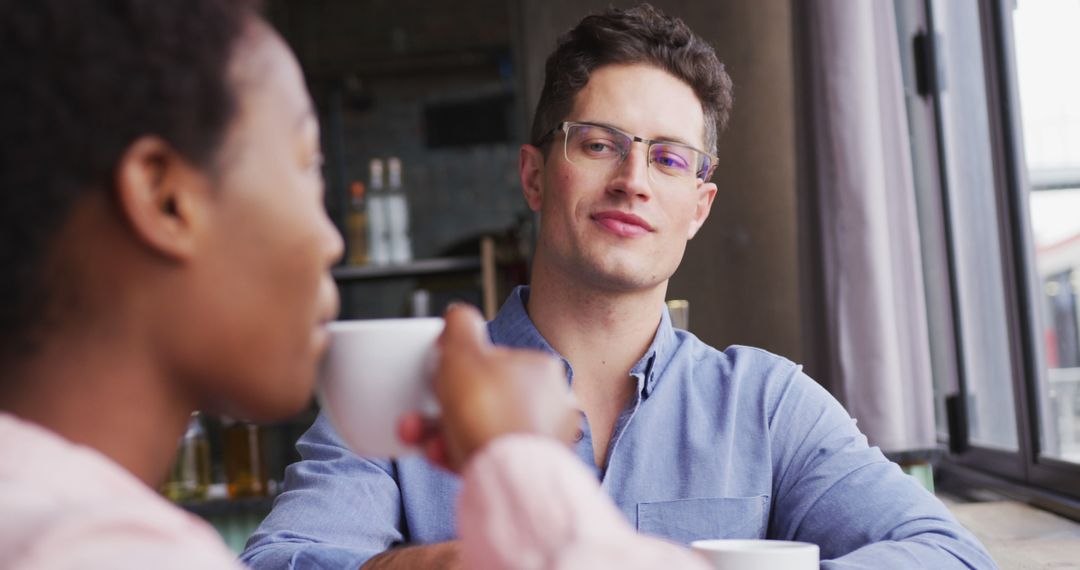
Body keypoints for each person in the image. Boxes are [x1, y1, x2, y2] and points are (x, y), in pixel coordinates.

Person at [242, 4, 997, 569]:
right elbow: (283, 562)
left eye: (669, 159)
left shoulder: (768, 406)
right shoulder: (404, 394)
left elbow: (951, 557)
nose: (633, 181)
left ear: (698, 207)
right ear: (536, 176)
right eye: (600, 145)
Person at [0, 1, 587, 568]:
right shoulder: (105, 553)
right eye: (309, 166)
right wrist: (526, 470)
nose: (331, 240)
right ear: (167, 199)